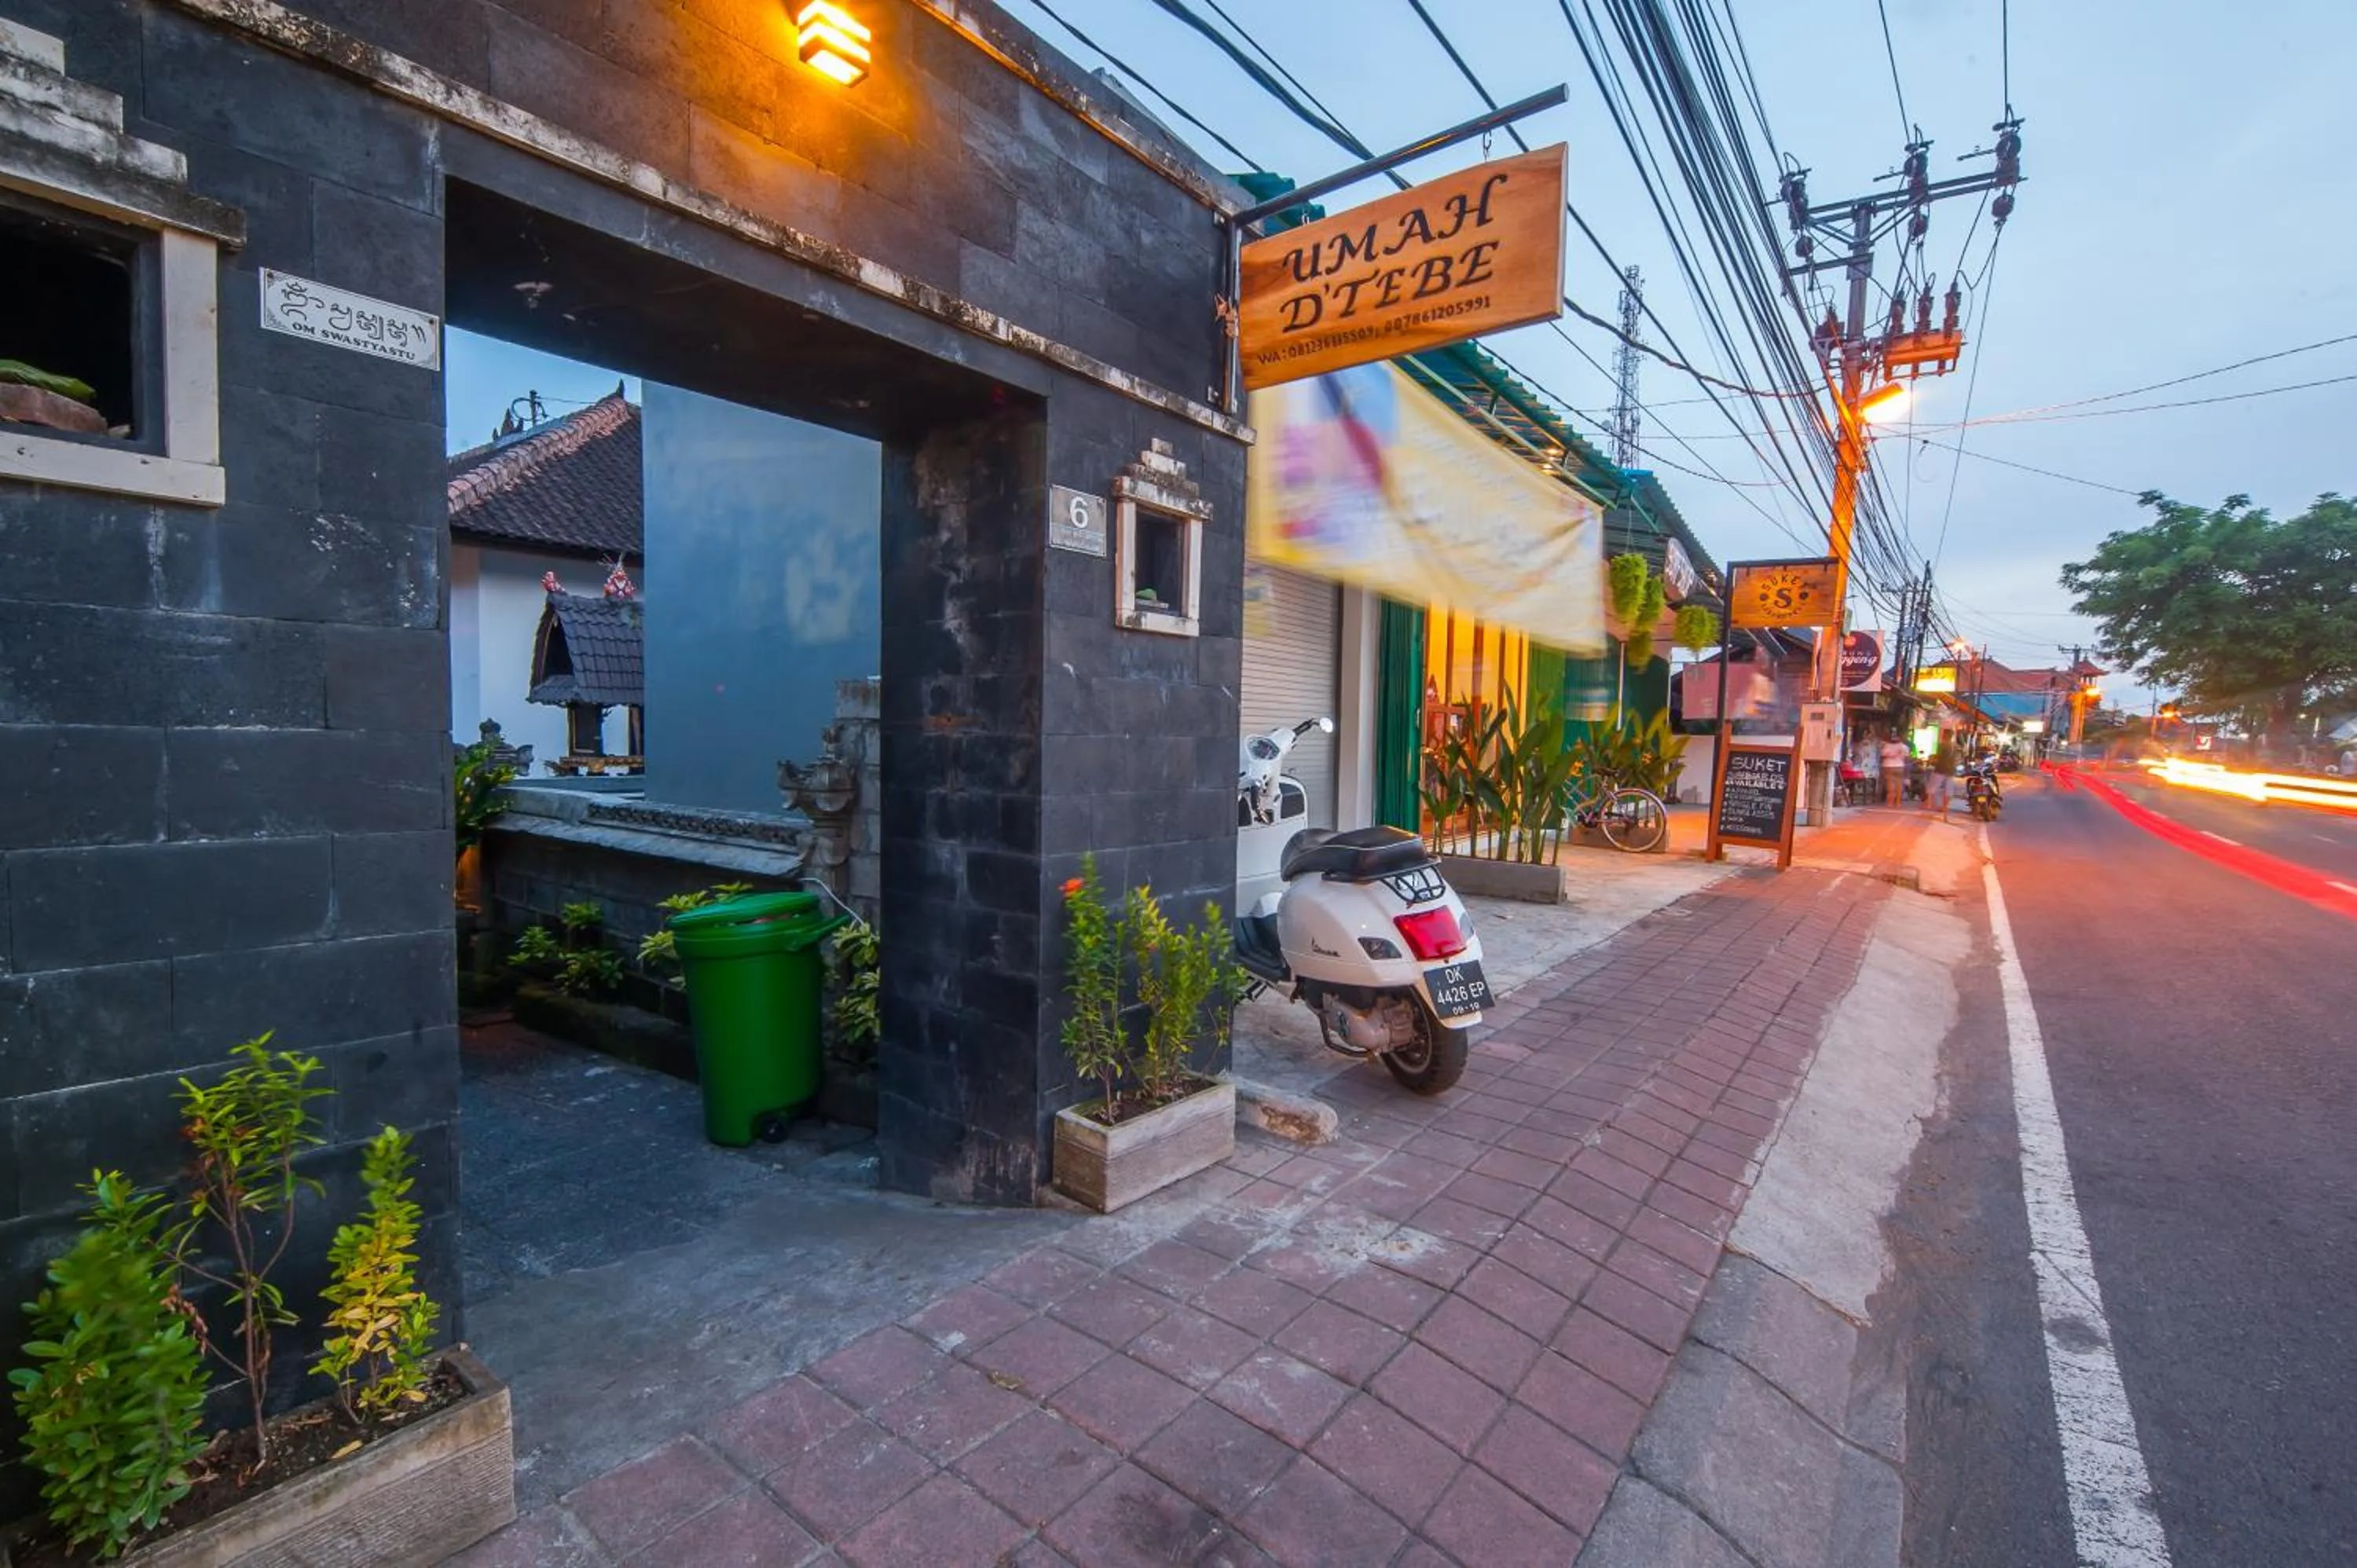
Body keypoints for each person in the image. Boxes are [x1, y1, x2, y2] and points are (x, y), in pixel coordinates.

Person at [1926, 735, 1958, 816]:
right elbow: (1957, 758)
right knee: (1948, 789)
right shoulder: (1955, 746)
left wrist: (1933, 759)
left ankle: (1929, 805)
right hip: (1951, 770)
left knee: (1932, 786)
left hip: (1940, 769)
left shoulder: (1942, 745)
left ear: (1943, 736)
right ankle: (1945, 807)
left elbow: (1938, 756)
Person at [1879, 735, 1908, 807]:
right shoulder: (1903, 746)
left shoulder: (1887, 746)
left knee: (1890, 783)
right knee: (1899, 784)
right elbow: (1907, 756)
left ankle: (1890, 802)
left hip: (1888, 766)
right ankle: (1898, 802)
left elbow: (1883, 754)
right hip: (1900, 766)